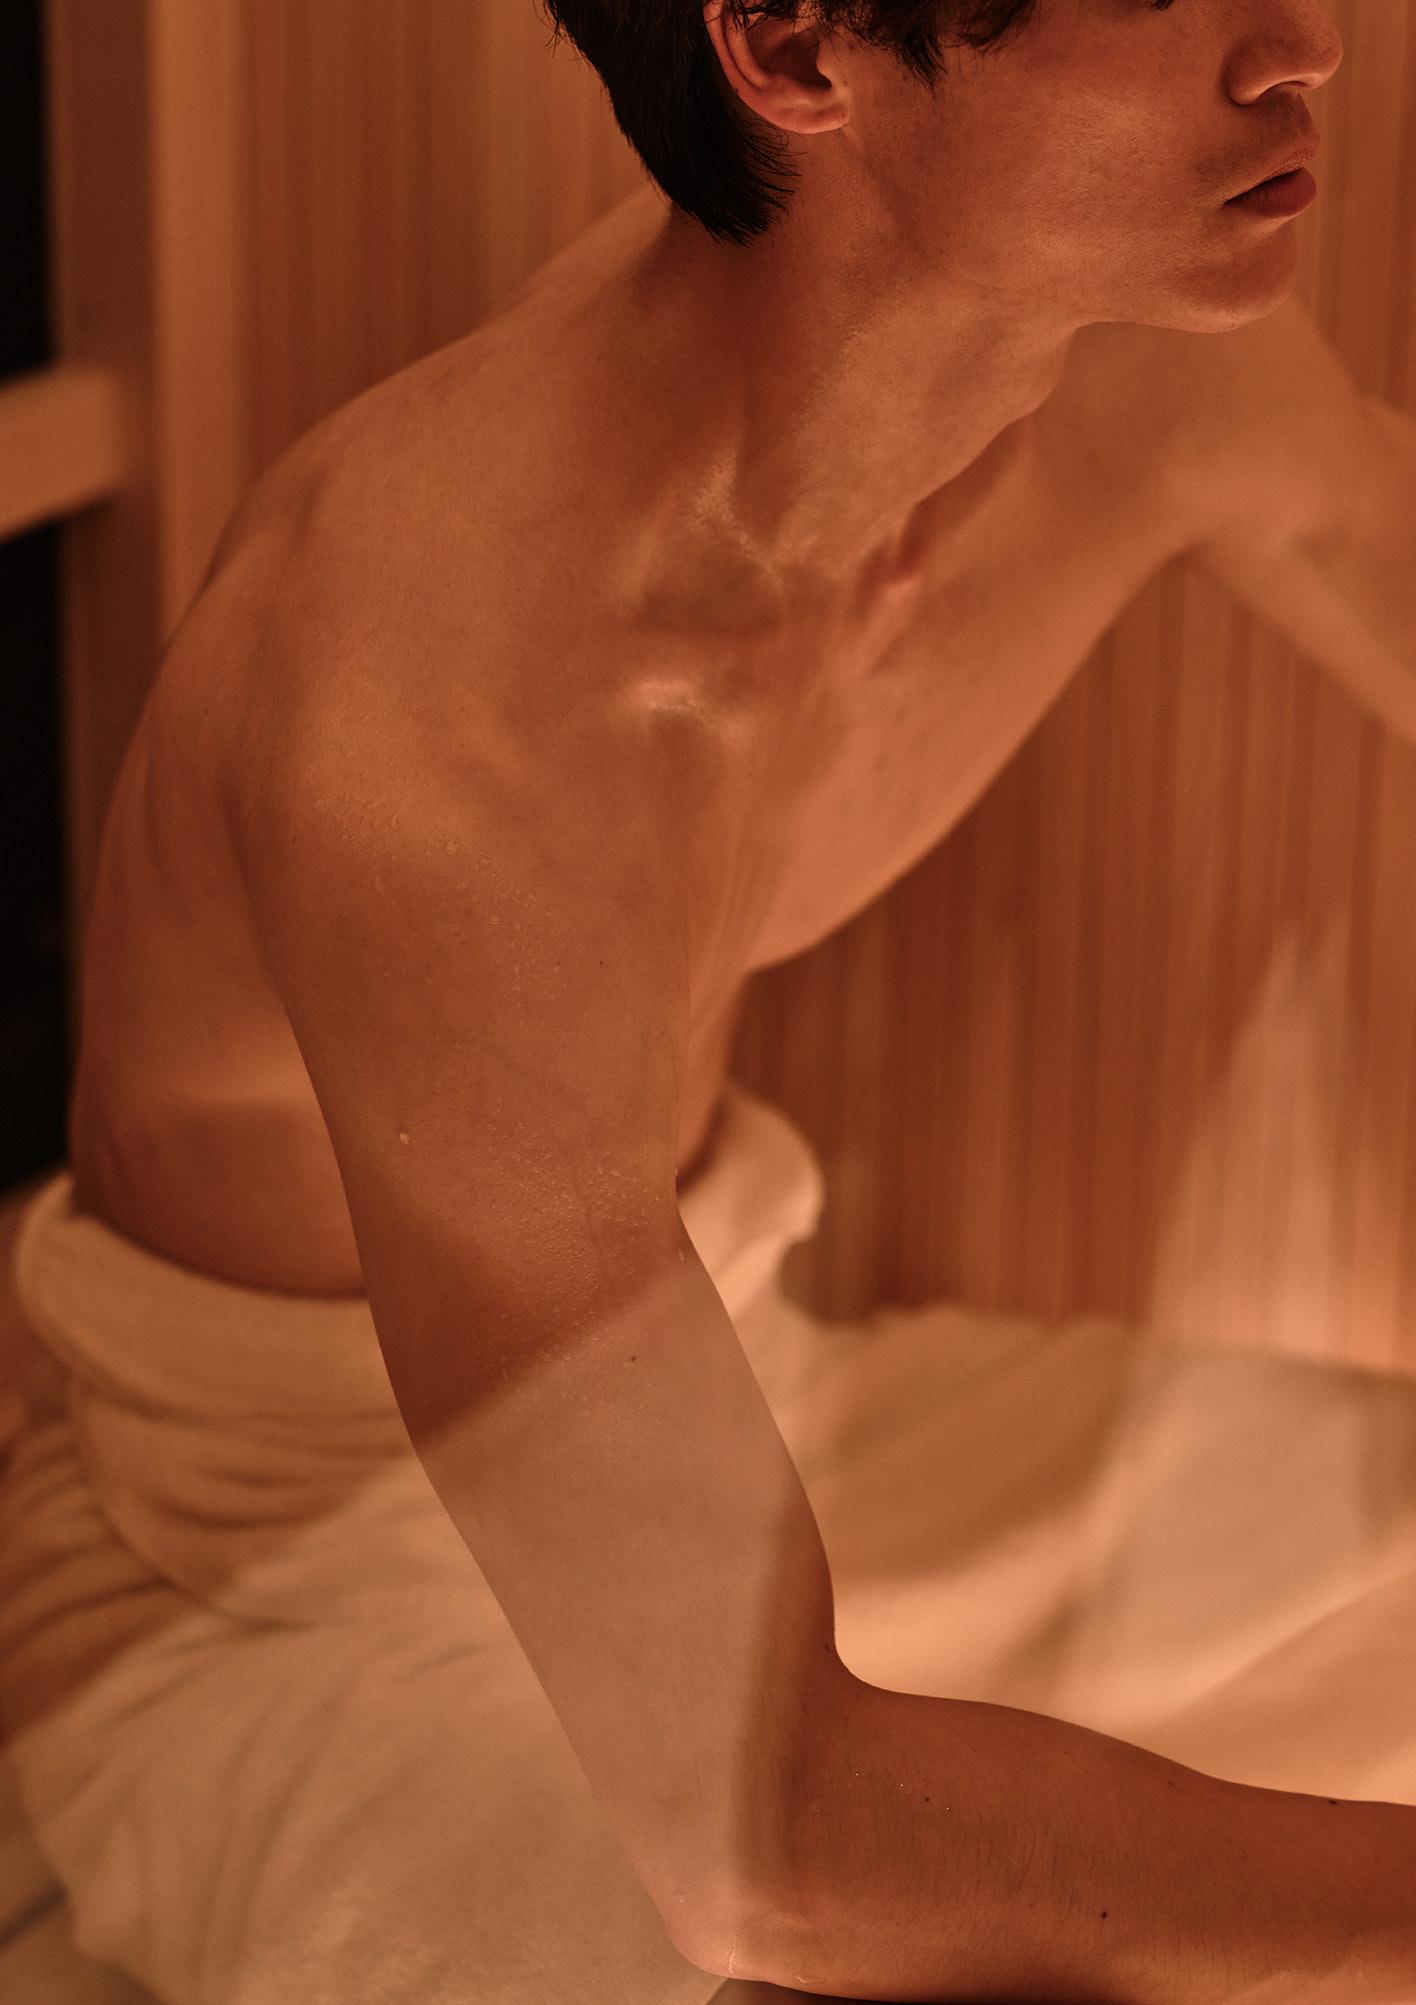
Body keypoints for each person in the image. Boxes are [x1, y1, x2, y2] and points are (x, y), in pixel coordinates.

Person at [7, 0, 1415, 1998]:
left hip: (711, 1417)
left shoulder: (1151, 381)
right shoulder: (447, 710)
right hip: (265, 1587)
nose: (1307, 43)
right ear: (792, 46)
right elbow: (768, 1840)